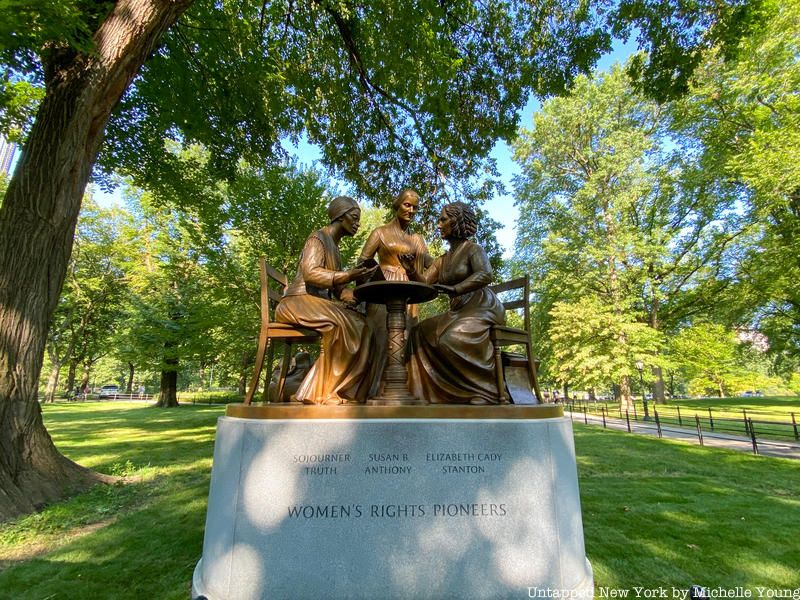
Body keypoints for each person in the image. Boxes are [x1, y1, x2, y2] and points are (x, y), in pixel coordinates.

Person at [275, 196, 379, 405]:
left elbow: (340, 291)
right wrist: (349, 275)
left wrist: (363, 288)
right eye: (354, 217)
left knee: (365, 324)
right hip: (297, 301)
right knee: (345, 324)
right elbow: (311, 274)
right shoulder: (318, 238)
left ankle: (345, 390)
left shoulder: (335, 249)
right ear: (340, 216)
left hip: (316, 303)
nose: (358, 223)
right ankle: (323, 392)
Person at [402, 201, 505, 405]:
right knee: (417, 333)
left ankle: (484, 391)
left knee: (450, 339)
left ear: (457, 221)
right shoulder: (442, 259)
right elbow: (425, 281)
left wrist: (456, 289)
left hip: (481, 307)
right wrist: (411, 270)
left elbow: (485, 274)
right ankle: (429, 391)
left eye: (443, 220)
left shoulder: (473, 249)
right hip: (458, 311)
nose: (439, 225)